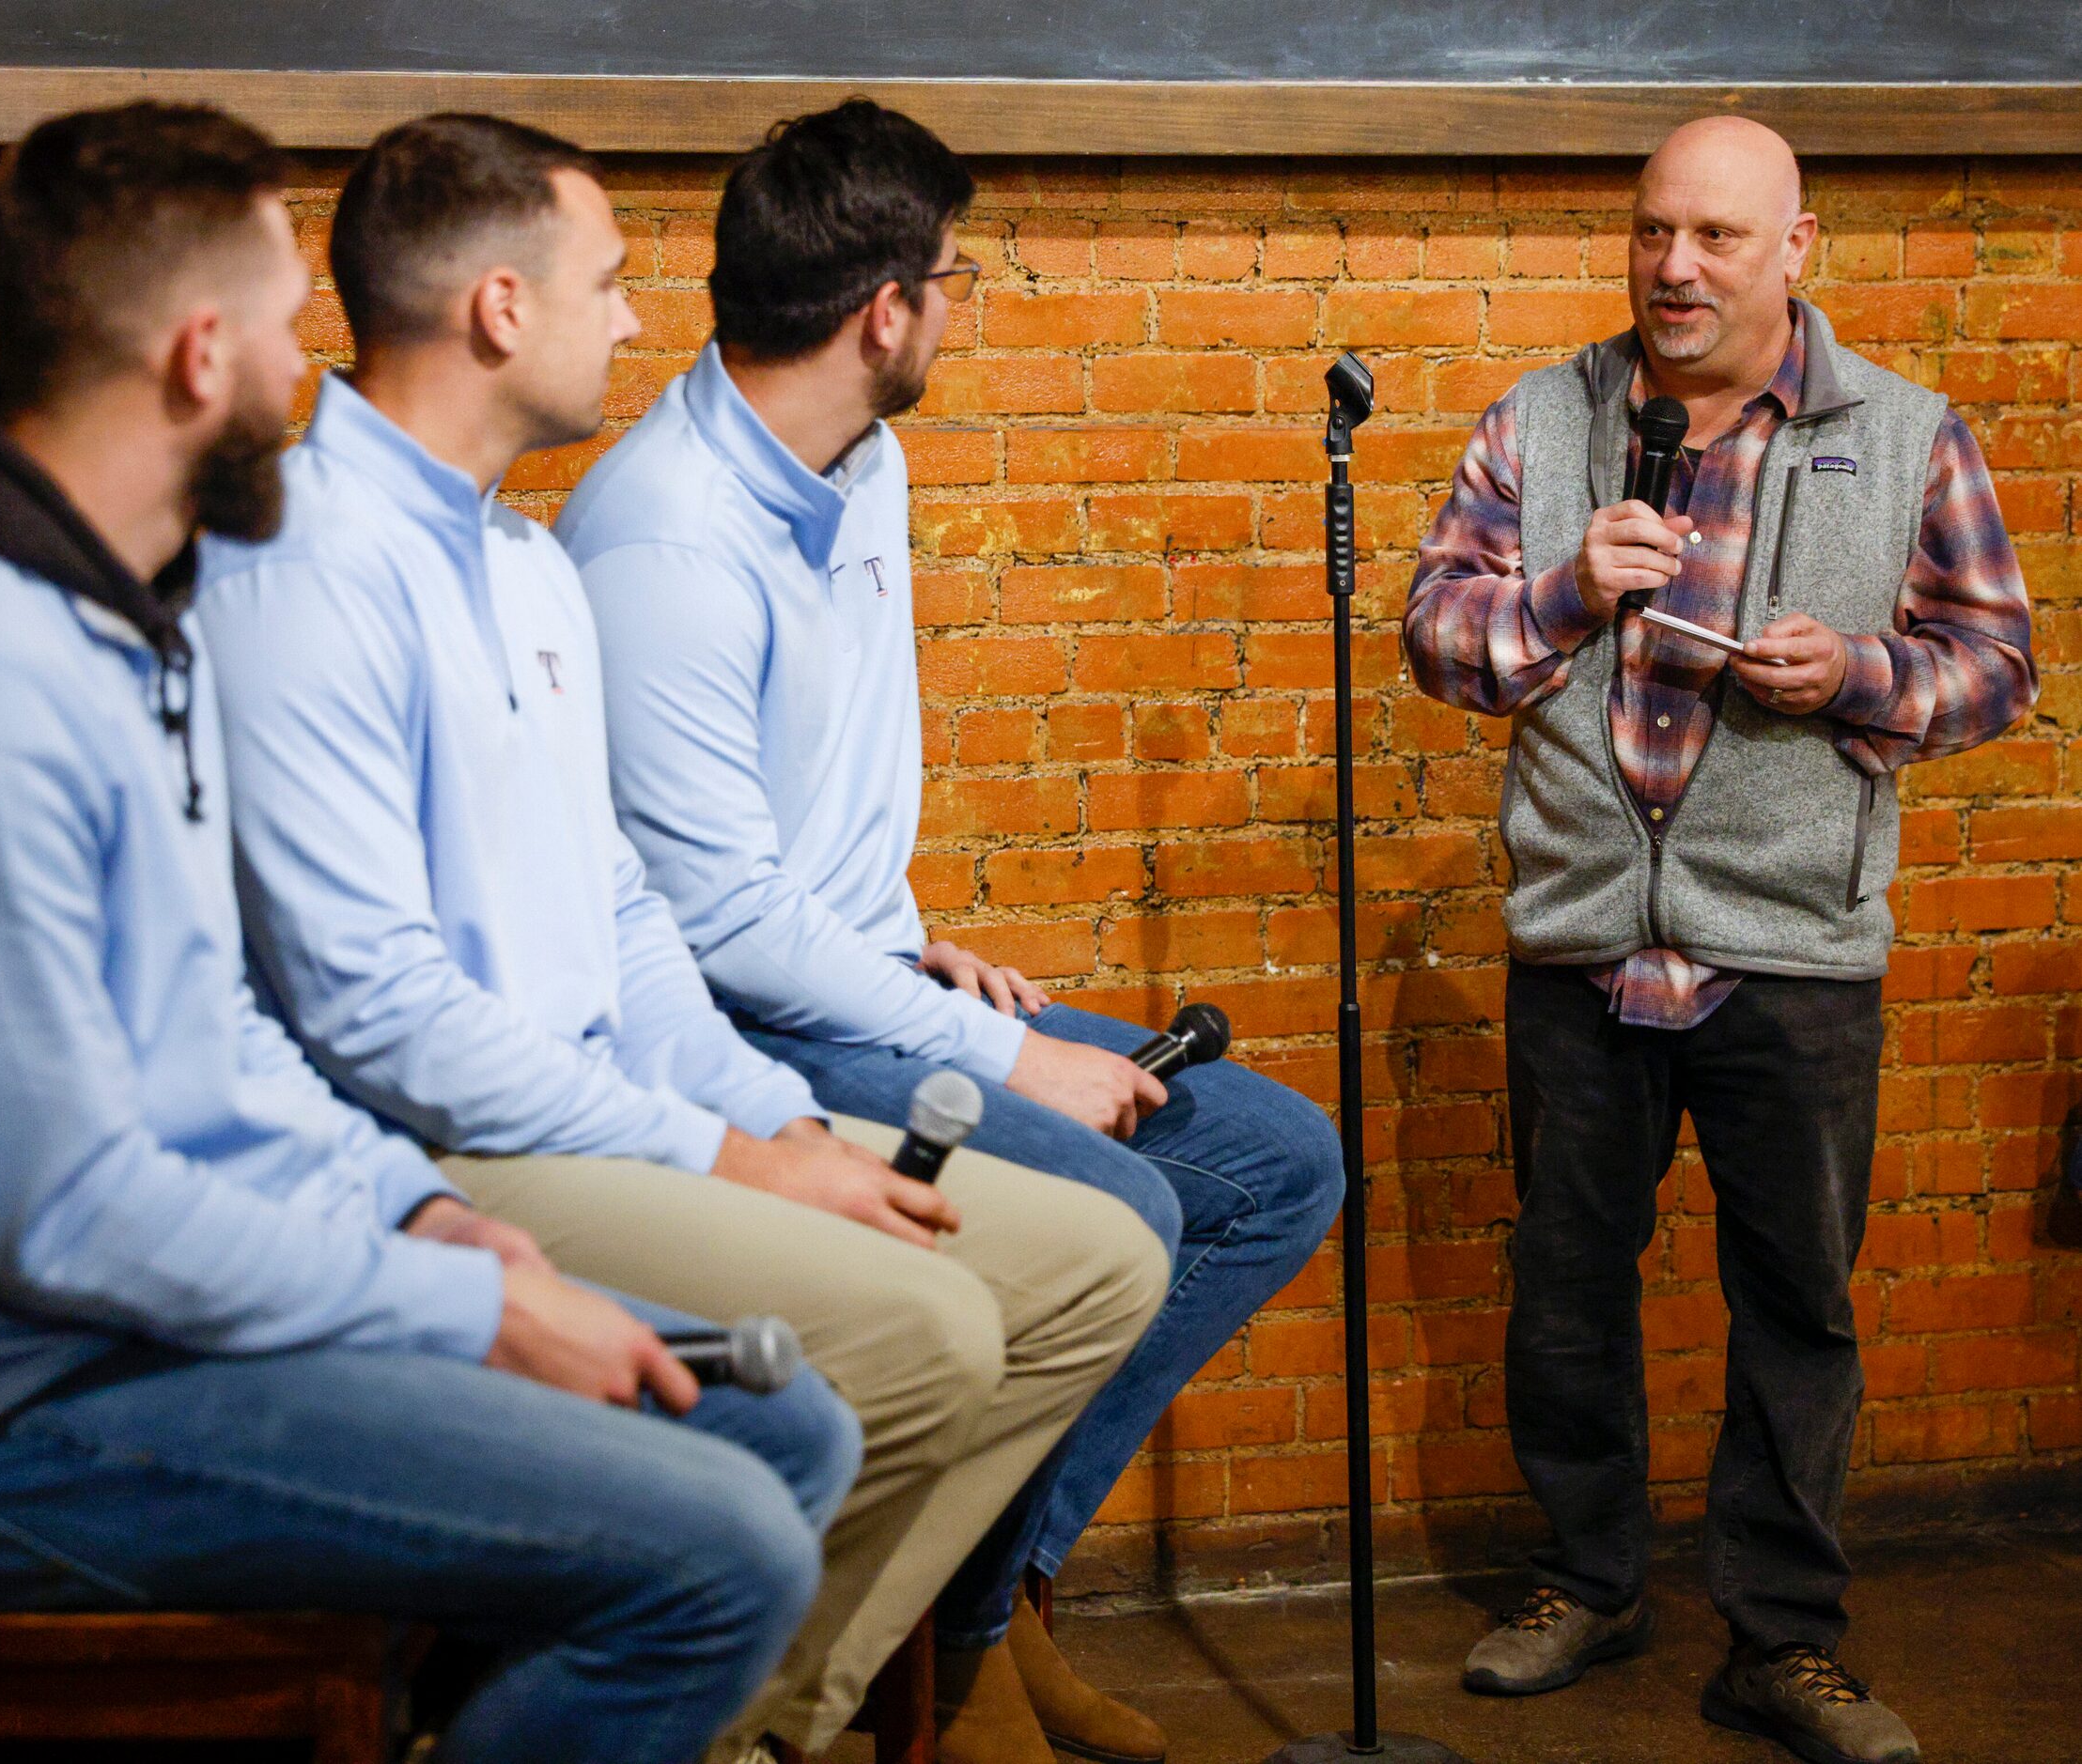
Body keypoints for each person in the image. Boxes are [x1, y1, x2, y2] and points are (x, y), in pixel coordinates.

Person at [0, 102, 865, 1764]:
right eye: (283, 325)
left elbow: (222, 1040)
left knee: (779, 1427)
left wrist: (416, 1207)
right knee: (723, 1548)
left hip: (128, 1340)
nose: (311, 372)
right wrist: (458, 1306)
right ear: (201, 354)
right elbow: (63, 1216)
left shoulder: (112, 613)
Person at [195, 113, 1169, 1762]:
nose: (639, 322)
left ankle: (766, 1715)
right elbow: (383, 1020)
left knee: (1101, 1260)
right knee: (936, 1329)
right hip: (449, 1149)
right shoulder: (303, 562)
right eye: (608, 283)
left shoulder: (519, 561)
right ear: (501, 307)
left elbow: (633, 919)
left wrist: (768, 1119)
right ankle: (707, 1720)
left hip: (614, 1111)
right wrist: (718, 1150)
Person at [556, 98, 1346, 1764]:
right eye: (953, 279)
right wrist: (1001, 1055)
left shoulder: (865, 457)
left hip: (860, 984)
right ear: (885, 312)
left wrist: (921, 954)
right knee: (1126, 1192)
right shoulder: (664, 539)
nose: (958, 310)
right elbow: (718, 920)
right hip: (736, 1028)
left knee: (1276, 1157)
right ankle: (954, 1657)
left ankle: (990, 1610)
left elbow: (822, 820)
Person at [1406, 116, 2034, 1764]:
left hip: (1794, 952)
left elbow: (1998, 664)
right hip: (1583, 943)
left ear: (1795, 249)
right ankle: (1589, 1577)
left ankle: (1783, 1640)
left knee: (1795, 1309)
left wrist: (1865, 681)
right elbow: (1435, 632)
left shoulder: (1907, 433)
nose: (1674, 268)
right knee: (1565, 1291)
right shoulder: (1542, 421)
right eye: (1651, 232)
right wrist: (1554, 597)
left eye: (1716, 239)